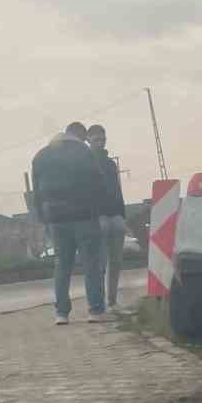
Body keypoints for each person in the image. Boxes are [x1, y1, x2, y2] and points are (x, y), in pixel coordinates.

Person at [30, 122, 108, 323]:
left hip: (56, 218)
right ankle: (95, 311)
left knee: (62, 265)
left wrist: (43, 217)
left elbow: (37, 192)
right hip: (84, 216)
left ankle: (61, 313)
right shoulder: (83, 151)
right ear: (80, 136)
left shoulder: (41, 156)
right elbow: (98, 181)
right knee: (91, 264)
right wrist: (98, 208)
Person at [85, 123, 128, 312]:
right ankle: (98, 303)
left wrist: (123, 215)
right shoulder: (84, 162)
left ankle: (112, 301)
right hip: (98, 217)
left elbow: (118, 190)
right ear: (88, 140)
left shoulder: (111, 164)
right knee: (100, 263)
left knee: (116, 261)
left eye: (103, 139)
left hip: (115, 216)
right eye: (96, 140)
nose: (100, 143)